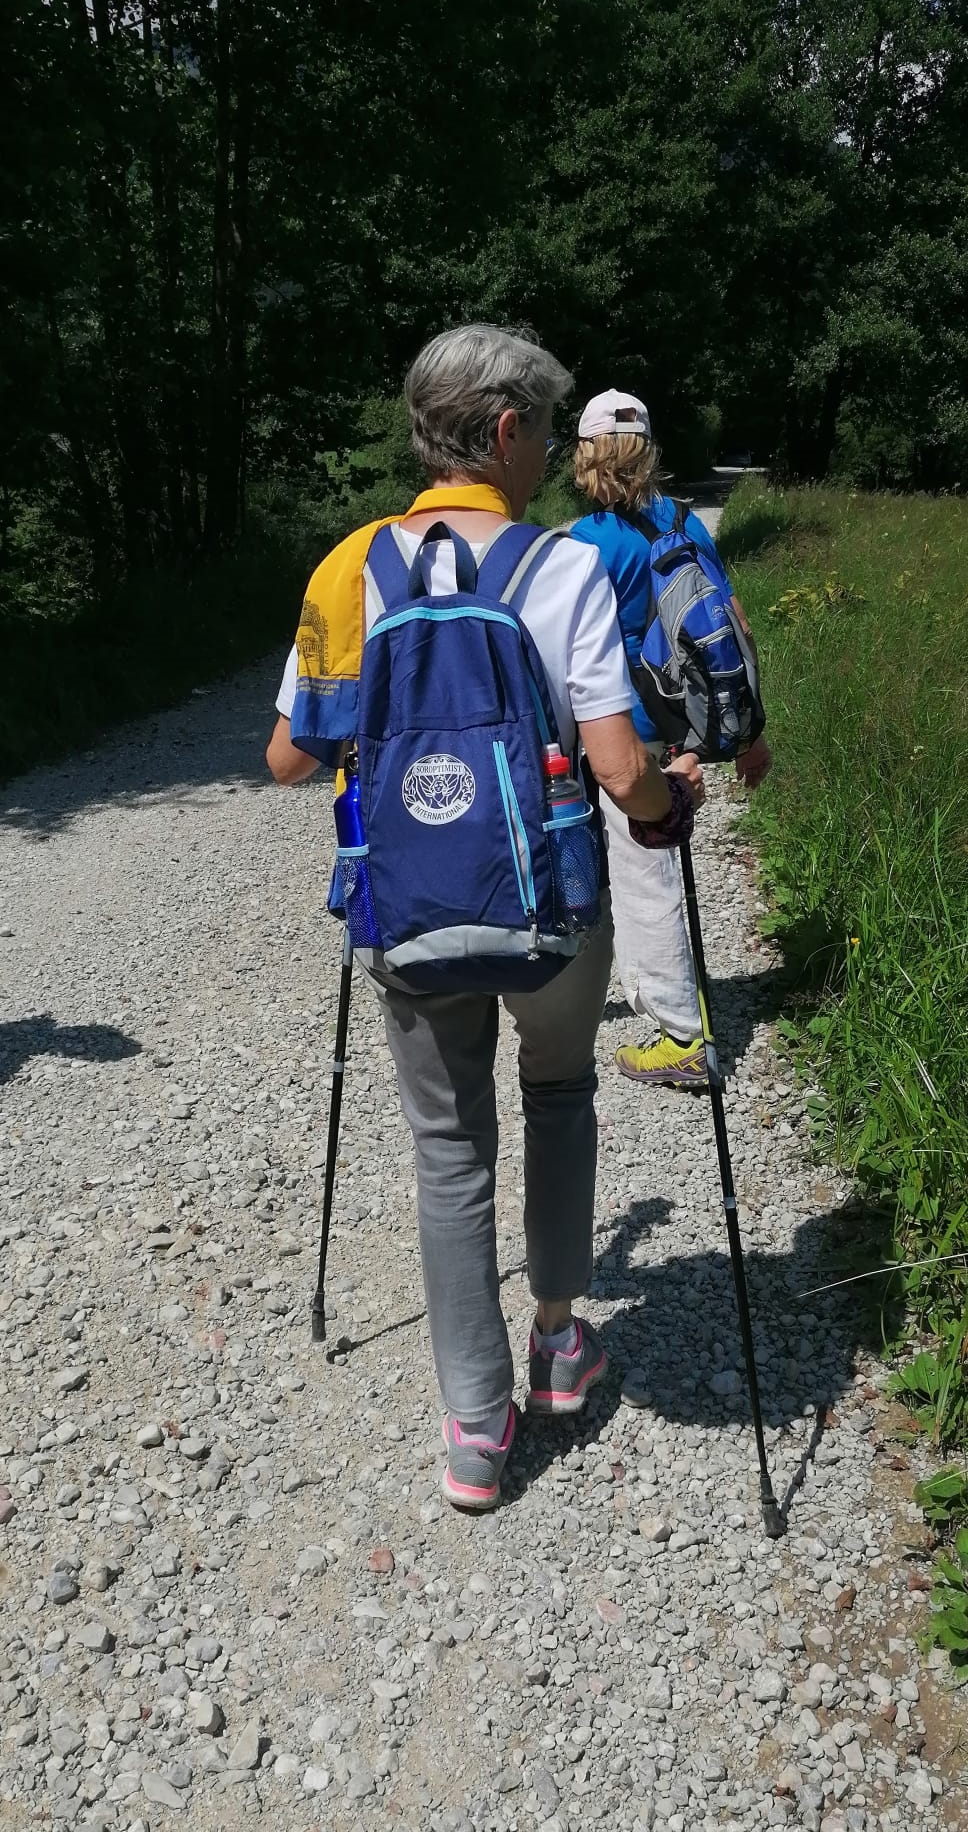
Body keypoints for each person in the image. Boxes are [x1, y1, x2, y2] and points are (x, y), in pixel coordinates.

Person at [266, 326, 704, 1512]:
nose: (549, 452)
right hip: (548, 905)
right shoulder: (557, 568)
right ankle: (558, 1340)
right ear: (505, 430)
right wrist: (670, 803)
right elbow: (620, 769)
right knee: (556, 1094)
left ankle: (474, 1425)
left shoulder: (347, 566)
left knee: (448, 1148)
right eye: (544, 430)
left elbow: (288, 758)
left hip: (408, 910)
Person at [570, 390, 771, 1089]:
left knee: (637, 875)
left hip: (614, 729)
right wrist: (749, 734)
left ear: (586, 454)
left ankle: (681, 1034)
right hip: (673, 725)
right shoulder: (683, 521)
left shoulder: (585, 542)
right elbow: (734, 623)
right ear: (649, 451)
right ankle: (634, 994)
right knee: (638, 866)